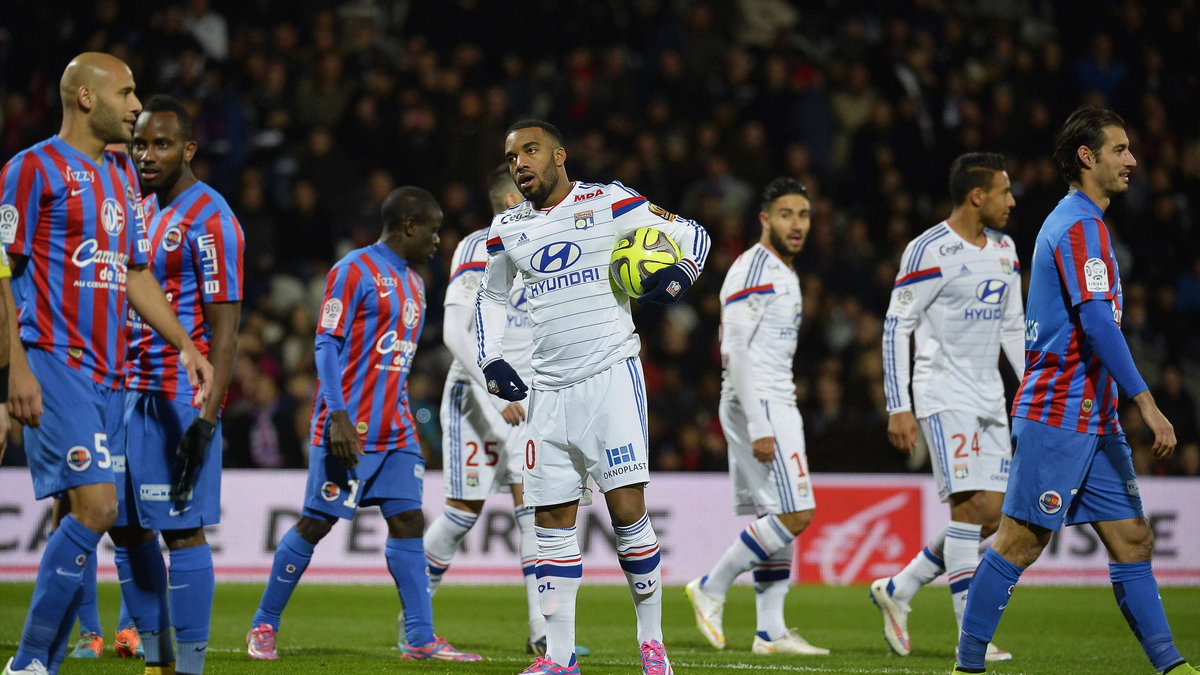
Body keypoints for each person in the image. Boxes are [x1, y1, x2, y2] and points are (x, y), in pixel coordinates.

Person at [952, 107, 1197, 675]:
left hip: (1092, 416)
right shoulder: (1078, 226)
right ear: (1087, 158)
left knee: (1133, 539)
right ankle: (966, 667)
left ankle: (1171, 666)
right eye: (1120, 150)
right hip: (1059, 410)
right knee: (1019, 543)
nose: (1132, 160)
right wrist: (1147, 401)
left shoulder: (1084, 224)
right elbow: (1096, 321)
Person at [1, 52, 214, 675]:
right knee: (98, 508)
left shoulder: (121, 177)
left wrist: (184, 343)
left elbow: (134, 273)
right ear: (86, 98)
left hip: (110, 375)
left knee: (84, 514)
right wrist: (12, 369)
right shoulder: (31, 168)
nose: (135, 106)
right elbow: (1, 270)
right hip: (53, 360)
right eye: (125, 93)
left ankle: (49, 661)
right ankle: (28, 660)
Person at [477, 119, 710, 675]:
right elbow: (489, 295)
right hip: (547, 392)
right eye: (512, 157)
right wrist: (491, 359)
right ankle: (560, 659)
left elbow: (694, 236)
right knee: (551, 520)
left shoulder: (610, 200)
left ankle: (652, 646)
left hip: (609, 380)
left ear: (559, 155)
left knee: (627, 513)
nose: (520, 164)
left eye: (530, 151)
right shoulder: (507, 228)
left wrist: (675, 278)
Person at [245, 186, 481, 663]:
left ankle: (419, 637)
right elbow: (326, 344)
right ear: (409, 225)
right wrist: (337, 414)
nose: (439, 241)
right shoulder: (353, 270)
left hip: (395, 430)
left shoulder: (415, 283)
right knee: (317, 523)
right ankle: (264, 625)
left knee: (409, 520)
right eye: (433, 231)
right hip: (348, 427)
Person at [96, 93, 244, 675]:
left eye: (161, 144)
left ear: (188, 149)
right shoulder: (140, 208)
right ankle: (158, 658)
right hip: (126, 393)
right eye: (141, 143)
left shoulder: (212, 219)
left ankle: (189, 666)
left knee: (181, 534)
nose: (147, 154)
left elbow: (226, 333)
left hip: (178, 399)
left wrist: (206, 423)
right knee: (125, 529)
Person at [420, 165, 589, 658]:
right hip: (480, 394)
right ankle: (416, 620)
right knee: (460, 516)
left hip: (533, 398)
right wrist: (498, 392)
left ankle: (543, 632)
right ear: (510, 199)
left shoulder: (548, 245)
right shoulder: (478, 246)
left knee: (535, 512)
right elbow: (455, 334)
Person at [870, 152, 1021, 662]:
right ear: (977, 196)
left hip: (988, 396)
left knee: (994, 515)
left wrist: (1032, 387)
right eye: (1004, 191)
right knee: (966, 508)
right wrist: (899, 404)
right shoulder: (928, 249)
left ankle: (899, 589)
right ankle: (969, 637)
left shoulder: (1005, 249)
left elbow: (1014, 328)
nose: (1011, 201)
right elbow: (897, 325)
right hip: (941, 391)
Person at [683, 177, 829, 657]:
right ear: (765, 219)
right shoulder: (753, 268)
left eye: (804, 215)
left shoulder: (783, 271)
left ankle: (770, 631)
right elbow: (736, 351)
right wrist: (761, 424)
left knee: (776, 513)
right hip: (757, 403)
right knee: (796, 512)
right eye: (786, 214)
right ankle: (712, 584)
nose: (797, 224)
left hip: (774, 400)